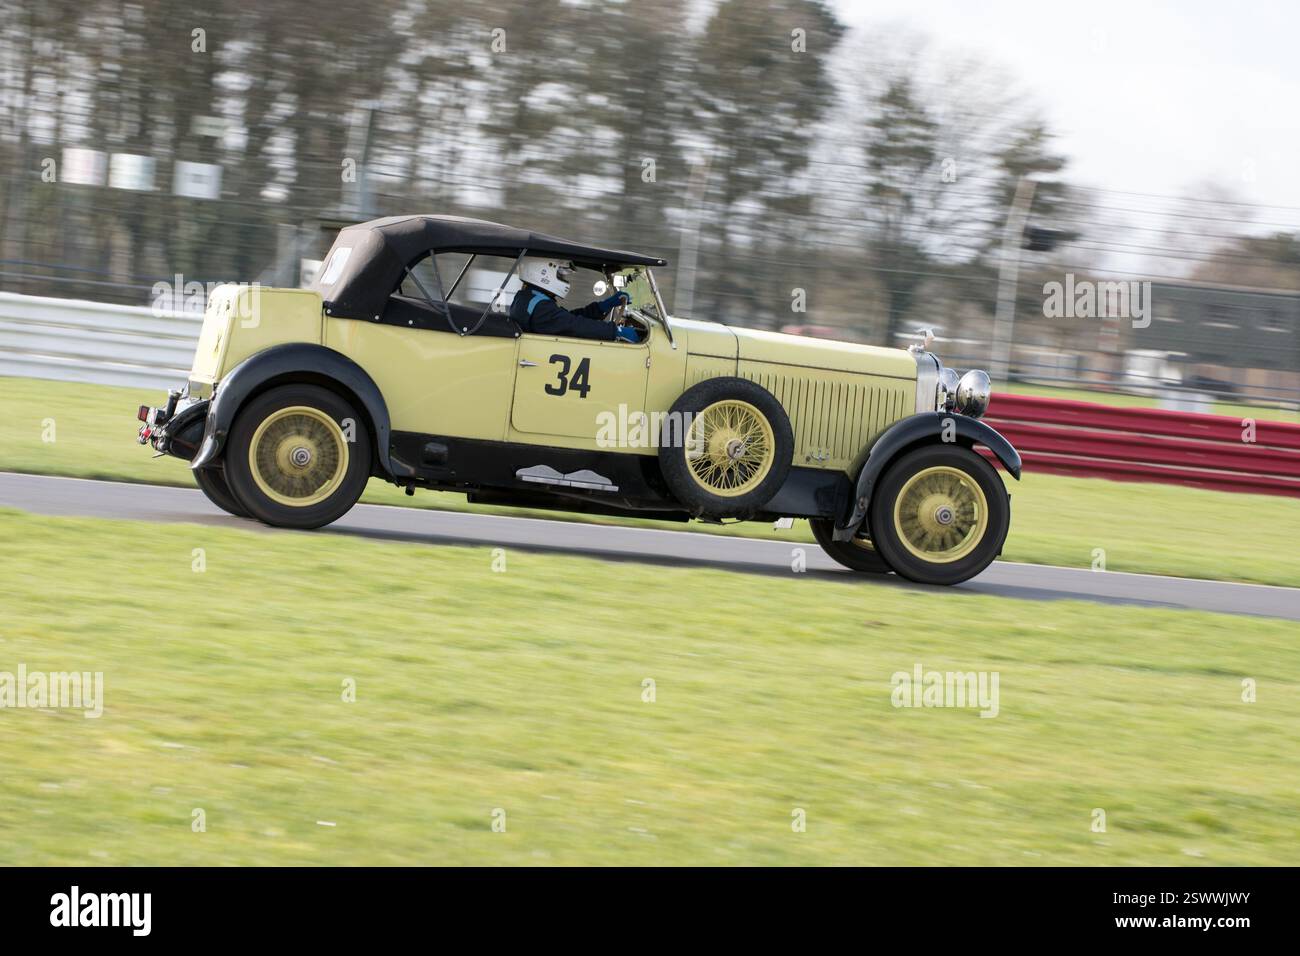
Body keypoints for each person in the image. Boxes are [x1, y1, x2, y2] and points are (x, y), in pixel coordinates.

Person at [510, 257, 639, 342]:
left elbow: (566, 319)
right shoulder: (539, 306)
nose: (563, 279)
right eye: (560, 275)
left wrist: (601, 307)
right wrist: (615, 331)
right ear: (542, 273)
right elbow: (573, 326)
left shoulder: (530, 297)